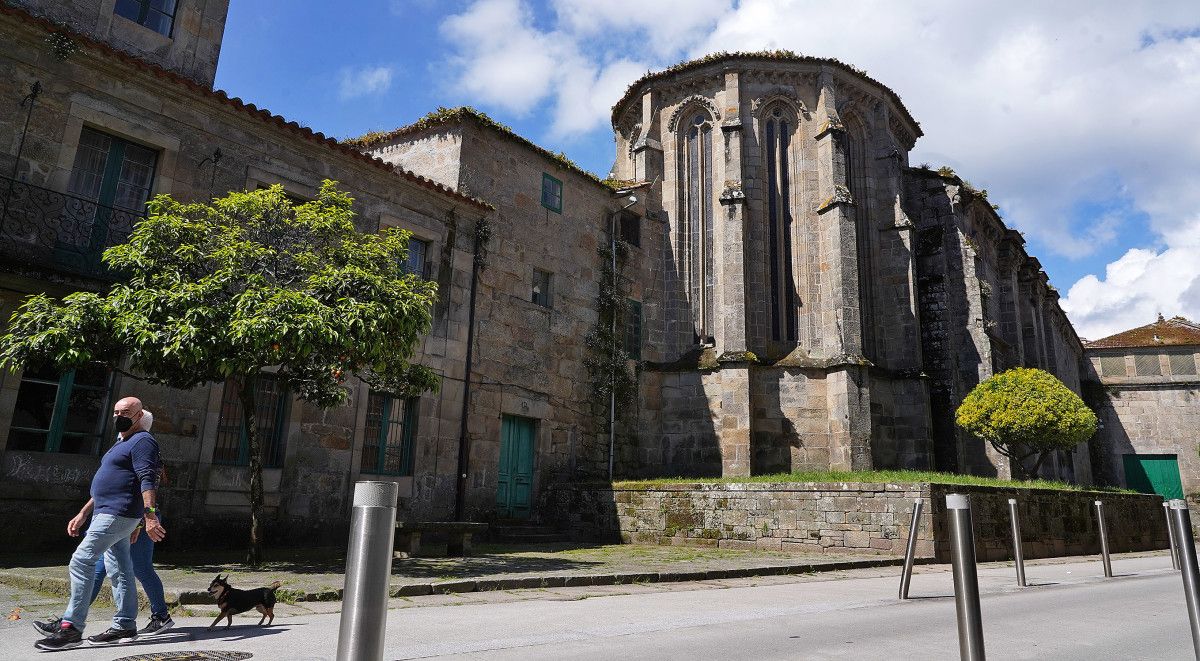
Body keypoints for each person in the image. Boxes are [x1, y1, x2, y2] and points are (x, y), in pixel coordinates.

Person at [35, 396, 166, 651]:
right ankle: (125, 624)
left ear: (139, 415)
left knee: (82, 560)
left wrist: (149, 516)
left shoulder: (142, 441)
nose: (119, 416)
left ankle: (71, 627)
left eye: (125, 412)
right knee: (119, 568)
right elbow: (107, 483)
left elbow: (148, 478)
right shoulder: (122, 443)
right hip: (106, 511)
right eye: (116, 412)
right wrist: (83, 513)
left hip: (118, 513)